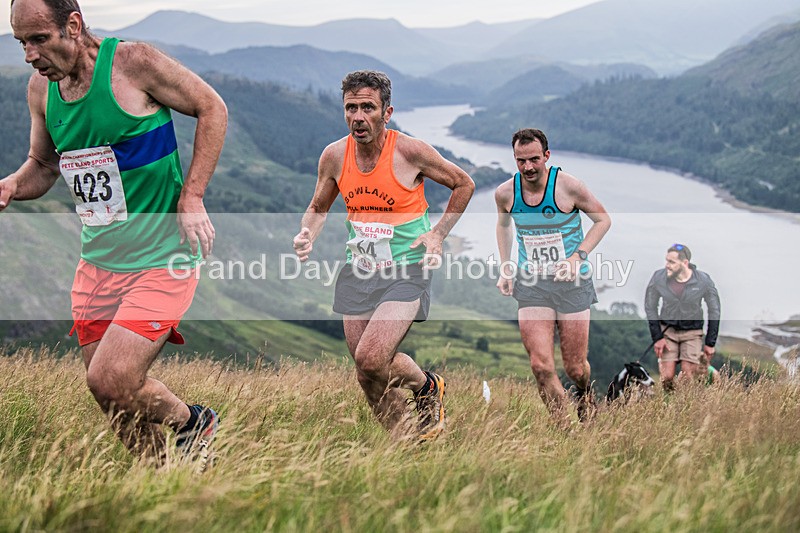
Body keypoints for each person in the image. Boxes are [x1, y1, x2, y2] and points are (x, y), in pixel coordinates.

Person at [1, 0, 228, 465]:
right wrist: (8, 186)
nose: (29, 54)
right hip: (97, 265)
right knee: (113, 400)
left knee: (110, 379)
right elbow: (44, 167)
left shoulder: (133, 63)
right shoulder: (41, 90)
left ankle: (193, 423)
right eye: (20, 42)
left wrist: (192, 196)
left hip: (162, 257)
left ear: (74, 25)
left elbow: (212, 107)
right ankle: (162, 481)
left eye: (38, 39)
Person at [292, 70, 474, 440]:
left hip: (407, 269)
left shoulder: (410, 152)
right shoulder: (334, 156)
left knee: (372, 359)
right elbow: (318, 206)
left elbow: (463, 183)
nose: (358, 117)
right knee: (366, 373)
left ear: (386, 113)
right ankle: (406, 444)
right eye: (351, 108)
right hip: (358, 270)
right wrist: (306, 233)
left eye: (368, 108)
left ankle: (427, 387)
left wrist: (438, 233)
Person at [495, 128, 611, 424]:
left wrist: (577, 257)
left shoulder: (569, 187)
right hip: (532, 283)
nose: (528, 167)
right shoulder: (506, 192)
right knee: (540, 366)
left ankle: (584, 394)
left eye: (534, 159)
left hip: (572, 284)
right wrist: (506, 265)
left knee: (575, 368)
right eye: (521, 161)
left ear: (547, 155)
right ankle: (564, 429)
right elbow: (504, 225)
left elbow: (602, 219)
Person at [645, 244, 721, 391]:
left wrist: (710, 343)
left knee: (688, 377)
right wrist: (657, 338)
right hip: (667, 331)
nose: (667, 265)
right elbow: (650, 307)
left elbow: (714, 310)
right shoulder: (658, 277)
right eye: (666, 261)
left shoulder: (703, 280)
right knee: (667, 378)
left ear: (685, 263)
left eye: (672, 262)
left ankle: (706, 374)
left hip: (692, 333)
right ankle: (668, 409)